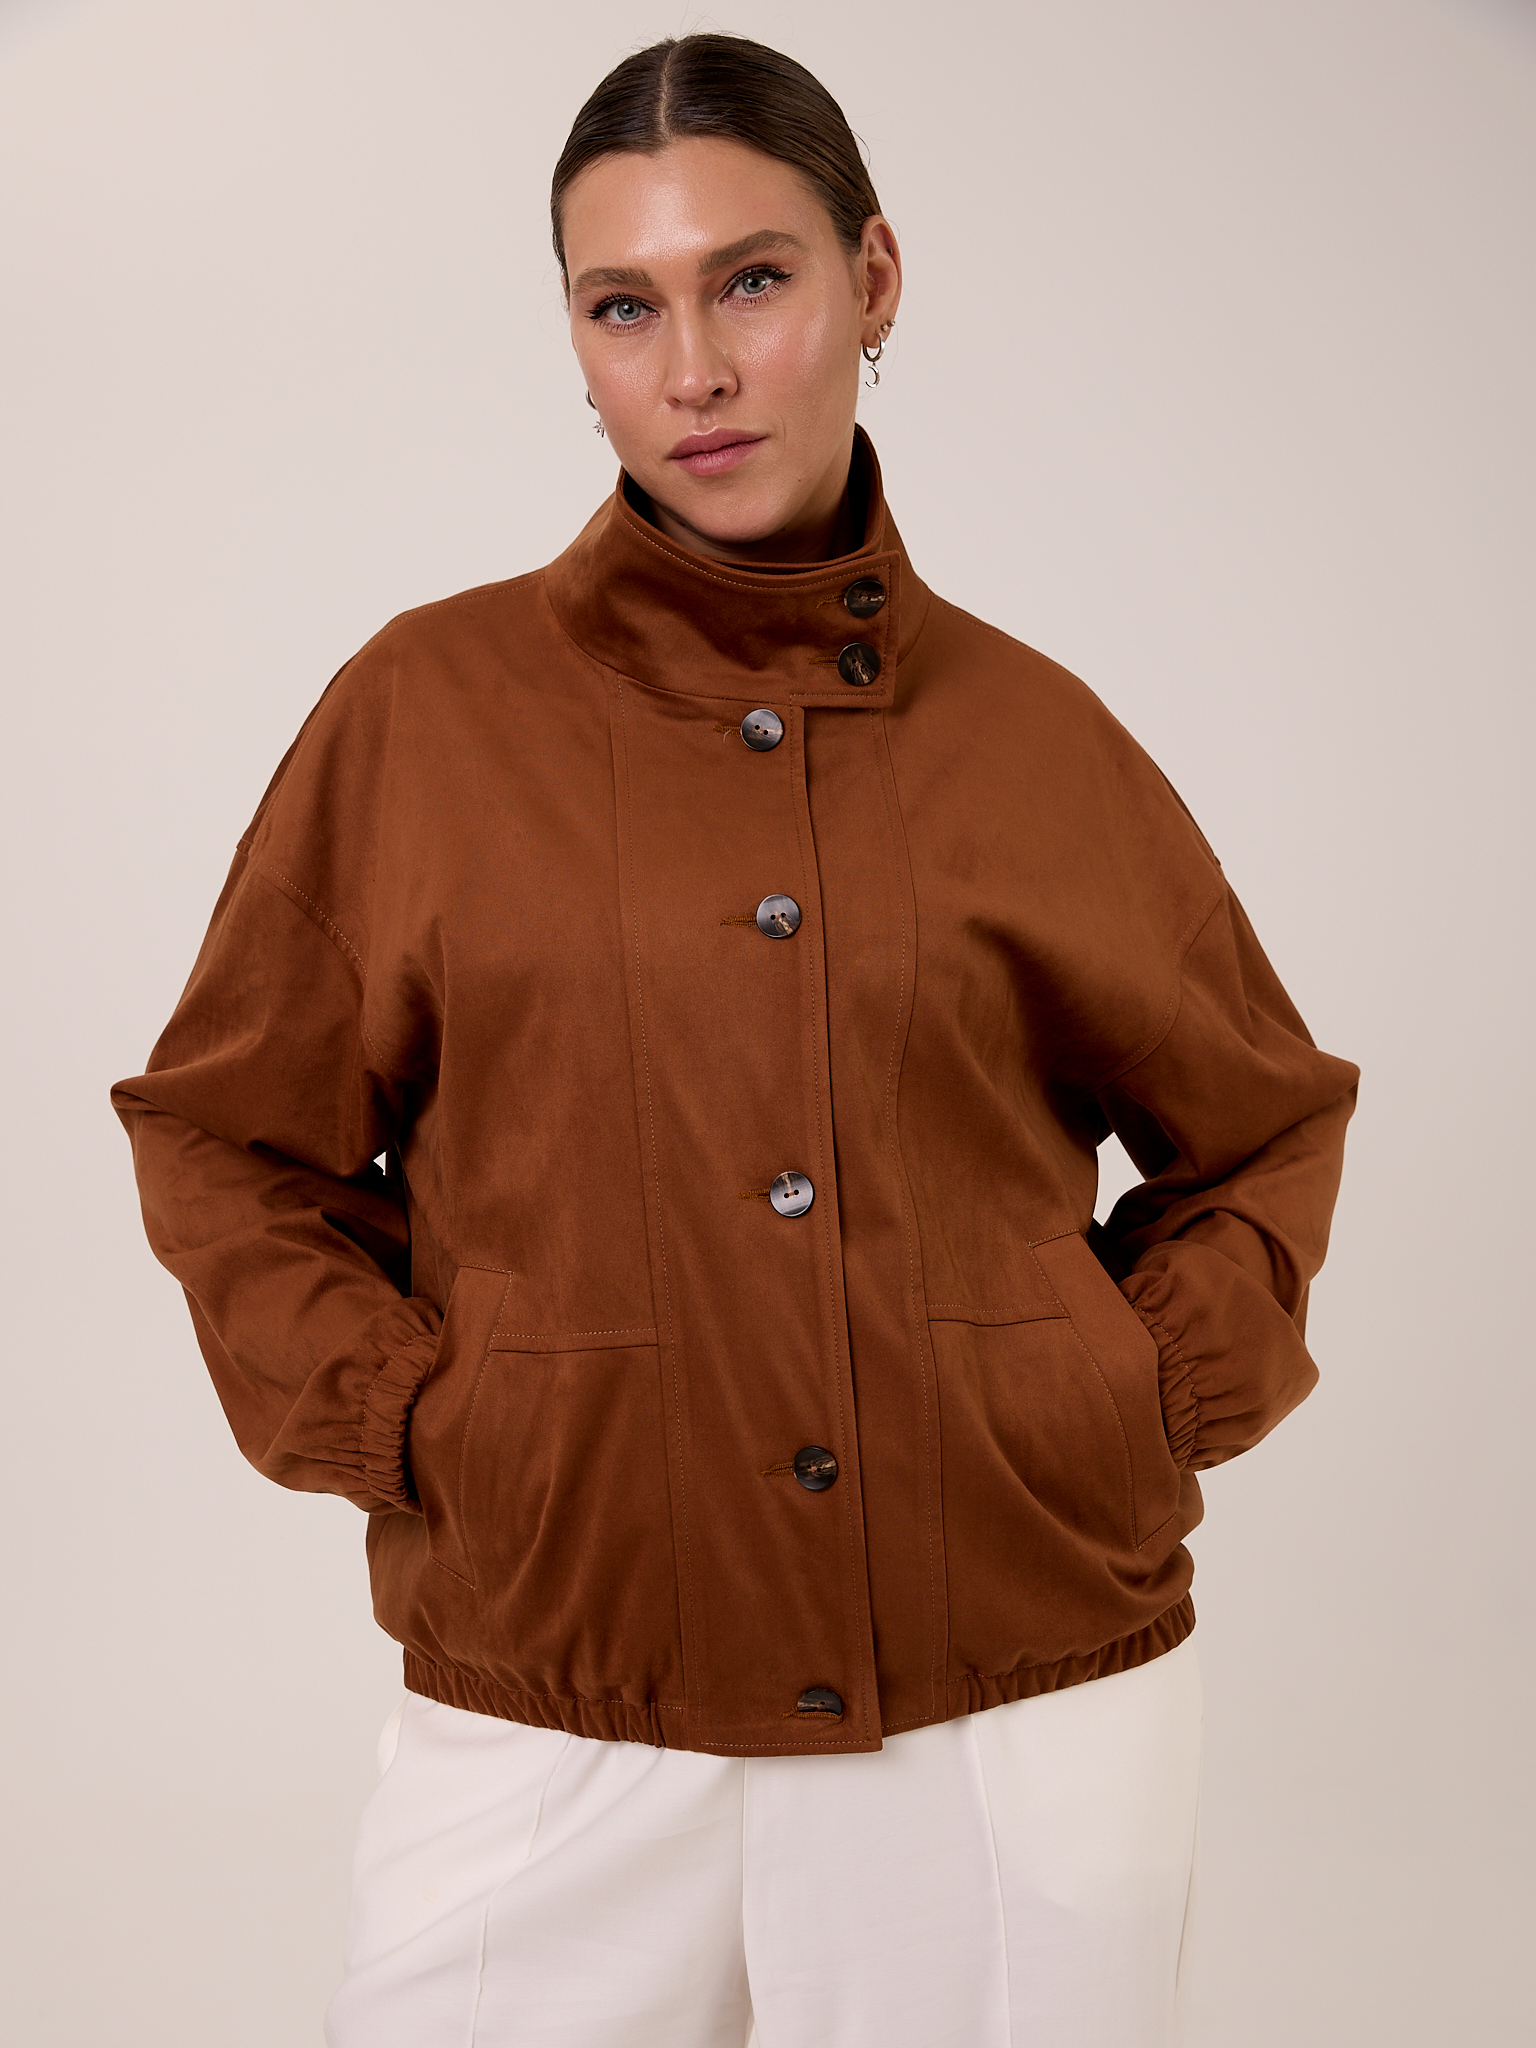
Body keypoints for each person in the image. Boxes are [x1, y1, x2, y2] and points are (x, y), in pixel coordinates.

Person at [112, 31, 1358, 2048]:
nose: (692, 367)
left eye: (752, 281)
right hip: (560, 1675)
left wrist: (1119, 1398)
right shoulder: (423, 715)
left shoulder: (1037, 739)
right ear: (578, 342)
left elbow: (1262, 1130)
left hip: (1014, 1705)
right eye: (625, 305)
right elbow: (226, 1136)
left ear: (874, 279)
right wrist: (430, 1426)